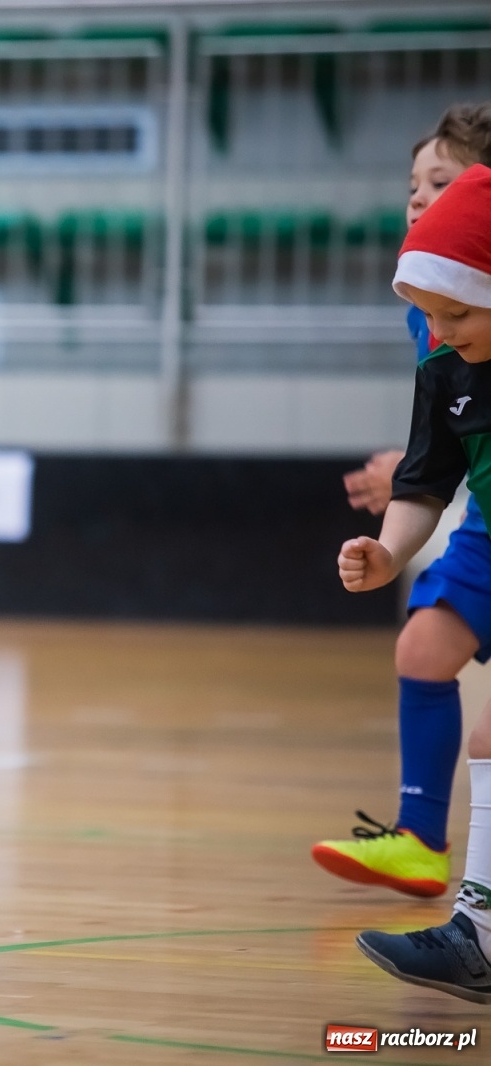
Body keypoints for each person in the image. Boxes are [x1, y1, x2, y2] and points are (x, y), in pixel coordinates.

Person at [313, 103, 491, 898]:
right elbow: (431, 470)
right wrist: (390, 548)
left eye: (441, 182)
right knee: (422, 648)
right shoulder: (442, 339)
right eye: (413, 185)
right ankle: (422, 841)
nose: (420, 199)